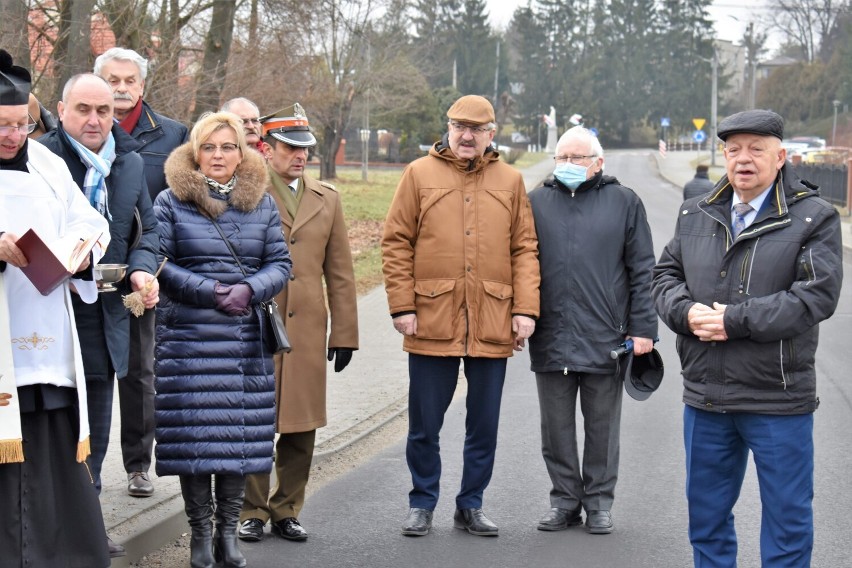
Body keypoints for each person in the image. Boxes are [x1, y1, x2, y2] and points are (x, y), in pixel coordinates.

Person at [651, 109, 843, 567]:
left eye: (756, 149)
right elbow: (664, 277)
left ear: (780, 157)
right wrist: (685, 311)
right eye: (734, 149)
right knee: (707, 523)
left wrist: (734, 320)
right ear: (723, 154)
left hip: (777, 400)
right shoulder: (695, 213)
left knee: (787, 525)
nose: (743, 159)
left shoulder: (814, 218)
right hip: (707, 397)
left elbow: (814, 298)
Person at [381, 94, 540, 537]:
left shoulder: (510, 180)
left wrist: (525, 310)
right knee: (424, 424)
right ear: (448, 128)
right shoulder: (418, 174)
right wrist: (402, 305)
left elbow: (524, 248)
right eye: (459, 126)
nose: (467, 135)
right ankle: (422, 502)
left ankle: (471, 504)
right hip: (432, 315)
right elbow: (396, 242)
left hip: (492, 317)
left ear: (492, 134)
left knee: (483, 425)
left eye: (477, 128)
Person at [153, 111, 291, 568]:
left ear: (242, 152)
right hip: (188, 341)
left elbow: (280, 263)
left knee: (235, 441)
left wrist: (251, 289)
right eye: (209, 147)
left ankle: (227, 534)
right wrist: (210, 291)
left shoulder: (263, 202)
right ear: (195, 152)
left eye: (228, 146)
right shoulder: (170, 201)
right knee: (195, 441)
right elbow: (157, 261)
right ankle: (199, 534)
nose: (218, 155)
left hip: (242, 342)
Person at [38, 72, 160, 557]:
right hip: (47, 313)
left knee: (96, 431)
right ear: (62, 109)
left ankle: (88, 529)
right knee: (50, 431)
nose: (94, 120)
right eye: (83, 109)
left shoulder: (128, 162)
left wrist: (141, 272)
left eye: (103, 111)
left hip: (107, 316)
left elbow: (147, 232)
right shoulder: (39, 160)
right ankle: (46, 530)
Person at [0, 49, 112, 567]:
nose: (13, 135)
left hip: (45, 328)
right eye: (2, 125)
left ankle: (56, 554)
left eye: (22, 124)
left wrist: (81, 248)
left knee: (46, 448)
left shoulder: (46, 162)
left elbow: (91, 221)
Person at [527, 126, 658, 535]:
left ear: (598, 163)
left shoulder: (624, 202)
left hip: (607, 338)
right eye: (561, 157)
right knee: (556, 430)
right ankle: (565, 501)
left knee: (602, 429)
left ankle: (599, 503)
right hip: (551, 334)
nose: (567, 164)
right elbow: (522, 265)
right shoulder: (535, 203)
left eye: (576, 158)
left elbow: (643, 271)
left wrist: (643, 329)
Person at [239, 104, 359, 543]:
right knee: (255, 416)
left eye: (304, 148)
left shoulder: (327, 198)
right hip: (256, 321)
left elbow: (341, 272)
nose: (299, 155)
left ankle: (287, 507)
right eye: (290, 147)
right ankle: (251, 509)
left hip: (307, 326)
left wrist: (345, 333)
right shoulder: (245, 193)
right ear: (266, 149)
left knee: (301, 423)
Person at [94, 46, 189, 498]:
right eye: (112, 79)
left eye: (130, 80)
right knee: (92, 373)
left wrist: (153, 271)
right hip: (86, 276)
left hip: (142, 278)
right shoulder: (79, 133)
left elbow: (179, 213)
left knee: (139, 374)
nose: (121, 88)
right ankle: (82, 466)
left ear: (143, 86)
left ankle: (137, 465)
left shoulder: (172, 136)